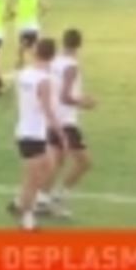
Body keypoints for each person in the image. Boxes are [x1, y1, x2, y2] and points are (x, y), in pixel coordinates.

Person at [43, 28, 98, 217]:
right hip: (65, 122)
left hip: (52, 119)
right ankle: (58, 197)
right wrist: (84, 103)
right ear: (79, 44)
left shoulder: (54, 61)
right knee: (84, 163)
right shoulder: (72, 66)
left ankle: (42, 200)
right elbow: (65, 96)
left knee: (57, 162)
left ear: (63, 41)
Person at [7, 38, 61, 231]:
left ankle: (20, 202)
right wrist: (61, 134)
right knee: (32, 180)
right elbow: (48, 110)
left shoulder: (25, 74)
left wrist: (22, 52)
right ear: (53, 56)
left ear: (36, 53)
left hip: (29, 131)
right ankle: (26, 219)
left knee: (49, 166)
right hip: (33, 135)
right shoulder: (44, 81)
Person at [10, 0, 46, 70]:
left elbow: (11, 9)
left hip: (23, 25)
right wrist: (38, 15)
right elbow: (45, 7)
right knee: (25, 47)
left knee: (26, 47)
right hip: (33, 24)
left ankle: (36, 63)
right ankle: (21, 63)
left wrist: (13, 14)